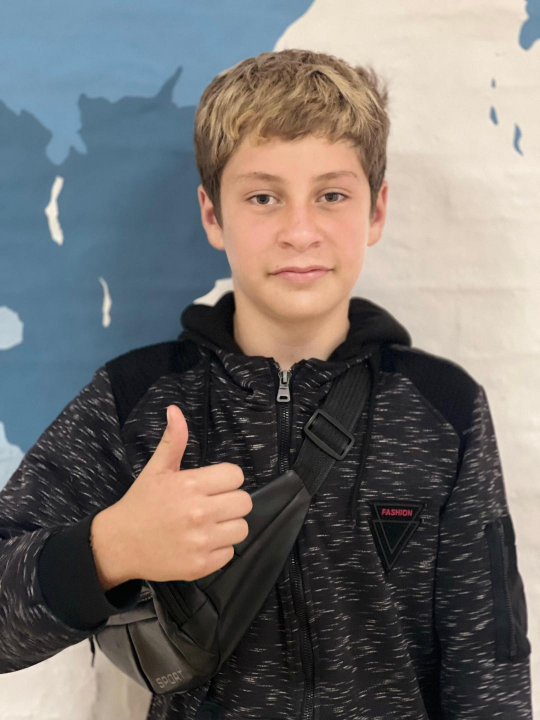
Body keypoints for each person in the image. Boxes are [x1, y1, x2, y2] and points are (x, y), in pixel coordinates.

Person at [0, 48, 533, 720]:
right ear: (212, 214)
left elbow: (491, 670)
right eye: (262, 197)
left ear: (376, 211)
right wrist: (110, 548)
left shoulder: (445, 410)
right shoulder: (136, 399)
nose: (299, 232)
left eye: (331, 196)